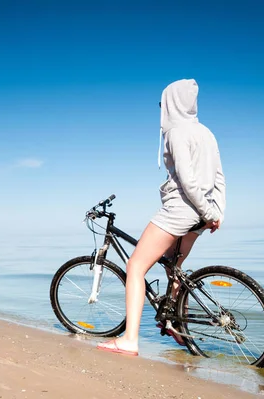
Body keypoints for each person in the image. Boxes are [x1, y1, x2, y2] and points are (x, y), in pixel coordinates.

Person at [97, 78, 226, 356]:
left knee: (136, 267)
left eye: (162, 103)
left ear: (172, 103)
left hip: (182, 209)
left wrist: (205, 210)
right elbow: (218, 178)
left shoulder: (176, 133)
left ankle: (129, 340)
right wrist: (215, 213)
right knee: (174, 268)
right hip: (203, 214)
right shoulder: (207, 133)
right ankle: (176, 325)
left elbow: (188, 181)